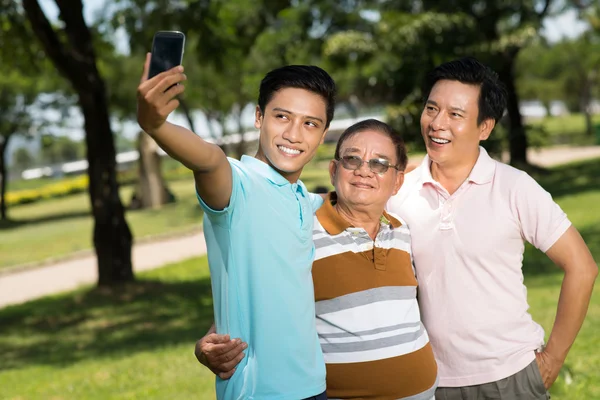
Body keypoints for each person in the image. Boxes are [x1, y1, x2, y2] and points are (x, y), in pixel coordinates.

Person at [387, 57, 598, 399]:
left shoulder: (514, 187)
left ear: (484, 127)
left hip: (510, 377)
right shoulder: (398, 192)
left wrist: (554, 358)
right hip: (428, 382)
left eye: (455, 114)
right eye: (431, 108)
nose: (437, 123)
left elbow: (582, 267)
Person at [137, 56, 336, 400]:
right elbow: (208, 159)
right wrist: (155, 124)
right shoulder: (237, 184)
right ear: (259, 117)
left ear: (322, 134)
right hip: (260, 392)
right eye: (282, 116)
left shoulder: (303, 197)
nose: (293, 134)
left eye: (310, 123)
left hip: (314, 386)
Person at [197, 119, 439, 399]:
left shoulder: (402, 230)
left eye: (379, 164)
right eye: (352, 159)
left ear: (397, 181)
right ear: (334, 170)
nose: (364, 171)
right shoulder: (300, 229)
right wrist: (208, 345)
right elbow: (255, 299)